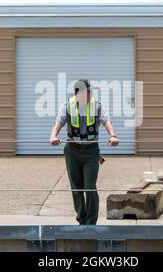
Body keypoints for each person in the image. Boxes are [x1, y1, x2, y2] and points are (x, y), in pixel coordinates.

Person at [49, 79, 119, 225]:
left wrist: (112, 135)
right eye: (87, 91)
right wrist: (53, 136)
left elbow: (107, 122)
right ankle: (82, 219)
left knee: (90, 187)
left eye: (90, 91)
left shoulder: (97, 106)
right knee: (76, 187)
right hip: (72, 151)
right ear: (79, 93)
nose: (90, 94)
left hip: (91, 151)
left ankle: (91, 222)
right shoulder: (67, 106)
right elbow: (59, 123)